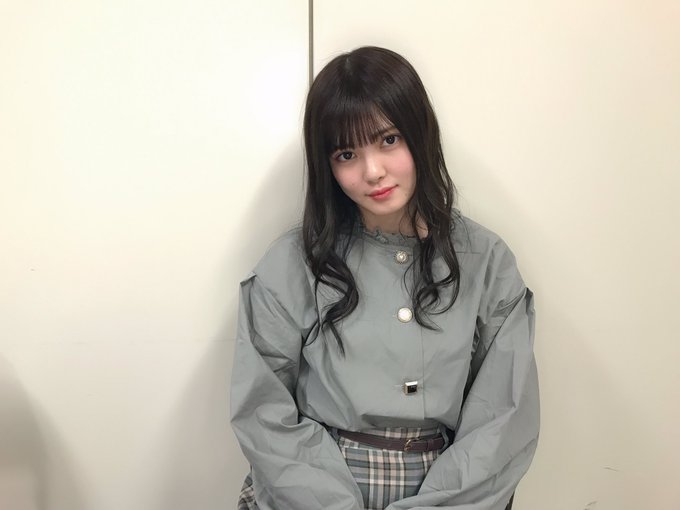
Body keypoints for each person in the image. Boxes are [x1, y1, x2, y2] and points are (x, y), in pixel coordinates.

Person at [230, 46, 539, 510]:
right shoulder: (292, 263)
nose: (372, 171)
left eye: (389, 140)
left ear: (420, 133)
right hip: (312, 491)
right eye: (347, 153)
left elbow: (503, 419)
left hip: (450, 491)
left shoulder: (487, 261)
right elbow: (263, 411)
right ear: (328, 165)